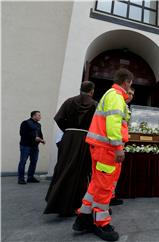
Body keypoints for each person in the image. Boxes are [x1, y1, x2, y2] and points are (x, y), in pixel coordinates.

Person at [72, 68, 133, 241]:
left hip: (101, 147)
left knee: (96, 184)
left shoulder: (112, 95)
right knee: (105, 186)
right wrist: (118, 147)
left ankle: (83, 218)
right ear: (127, 81)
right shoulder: (115, 96)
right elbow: (113, 123)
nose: (130, 86)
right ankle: (101, 223)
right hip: (107, 149)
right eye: (130, 83)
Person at [44, 81, 97, 216]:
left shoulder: (69, 101)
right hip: (84, 139)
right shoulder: (94, 104)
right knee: (80, 171)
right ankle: (75, 203)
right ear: (91, 91)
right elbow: (97, 124)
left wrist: (68, 130)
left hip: (68, 138)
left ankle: (55, 200)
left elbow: (59, 118)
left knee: (62, 167)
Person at [18, 111, 45, 184]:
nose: (40, 117)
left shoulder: (39, 125)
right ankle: (21, 179)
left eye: (40, 115)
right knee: (23, 162)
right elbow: (22, 133)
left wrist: (42, 140)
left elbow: (40, 134)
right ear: (34, 116)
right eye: (39, 115)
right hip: (25, 146)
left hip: (35, 147)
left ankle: (30, 177)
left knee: (33, 162)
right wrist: (34, 138)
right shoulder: (25, 123)